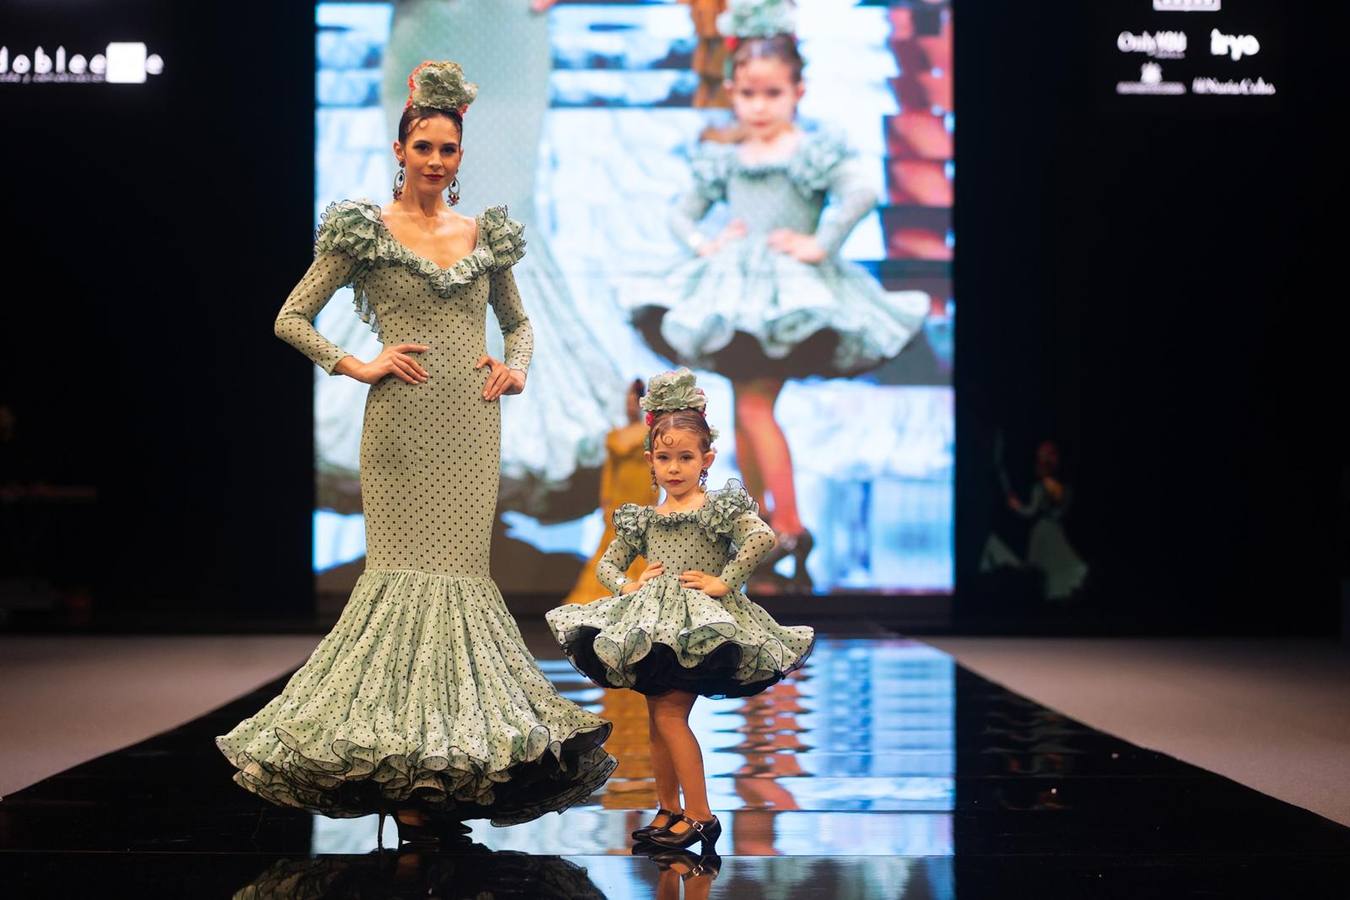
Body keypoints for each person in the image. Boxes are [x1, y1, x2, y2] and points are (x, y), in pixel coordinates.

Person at [215, 60, 616, 846]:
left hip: (471, 425)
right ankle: (403, 772)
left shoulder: (483, 235)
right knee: (400, 588)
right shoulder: (364, 230)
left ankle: (446, 765)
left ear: (461, 156)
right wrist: (356, 362)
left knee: (463, 586)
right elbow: (291, 316)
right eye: (424, 147)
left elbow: (521, 325)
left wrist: (516, 367)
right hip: (399, 428)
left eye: (449, 149)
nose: (437, 160)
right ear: (400, 149)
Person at [623, 0, 929, 591]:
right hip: (737, 297)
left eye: (771, 94)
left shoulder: (807, 152)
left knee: (757, 405)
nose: (758, 106)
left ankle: (785, 523)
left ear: (798, 91)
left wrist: (822, 242)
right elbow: (681, 211)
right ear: (733, 91)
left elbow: (861, 190)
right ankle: (759, 522)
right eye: (747, 94)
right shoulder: (728, 155)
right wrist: (706, 243)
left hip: (788, 299)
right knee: (743, 403)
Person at [544, 368, 815, 853]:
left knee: (670, 716)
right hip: (653, 627)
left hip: (699, 628)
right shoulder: (646, 518)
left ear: (706, 459)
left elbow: (761, 537)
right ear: (651, 461)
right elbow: (609, 563)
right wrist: (629, 585)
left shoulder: (717, 508)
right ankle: (668, 809)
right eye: (665, 458)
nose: (674, 468)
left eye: (685, 457)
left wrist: (724, 581)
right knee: (657, 716)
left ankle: (701, 815)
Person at [561, 379, 656, 606]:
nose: (630, 407)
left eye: (634, 402)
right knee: (610, 545)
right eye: (628, 402)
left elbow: (654, 467)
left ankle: (638, 594)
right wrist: (605, 499)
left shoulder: (650, 433)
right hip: (619, 496)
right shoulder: (615, 433)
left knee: (639, 543)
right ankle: (602, 596)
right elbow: (608, 472)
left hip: (641, 494)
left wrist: (654, 495)